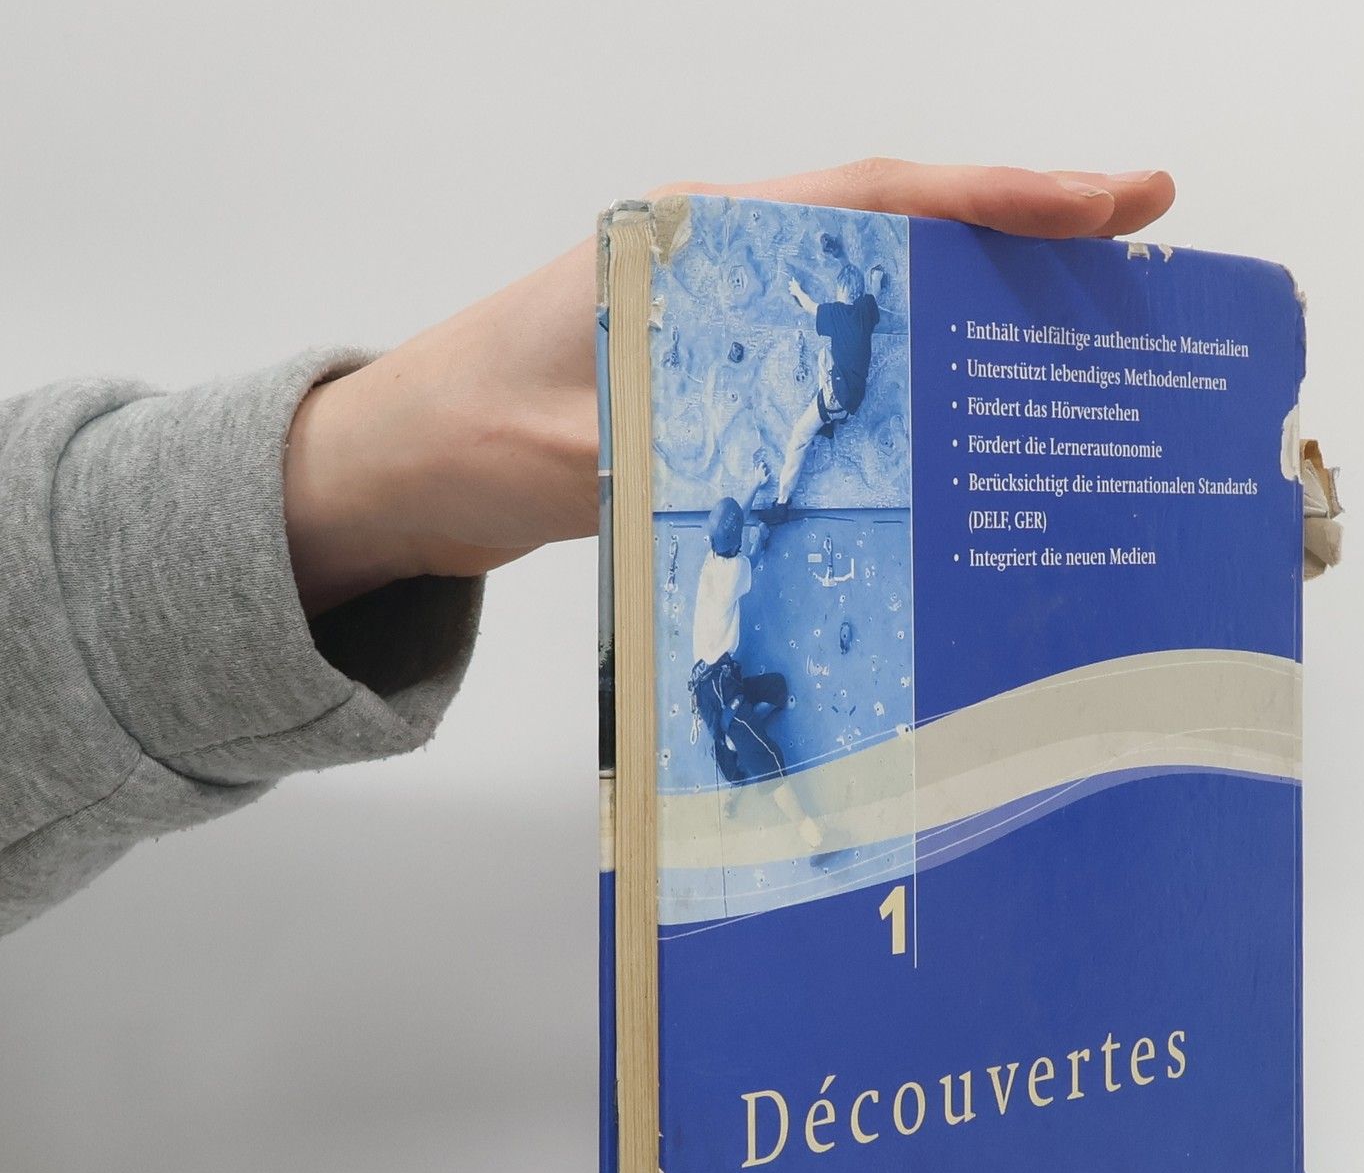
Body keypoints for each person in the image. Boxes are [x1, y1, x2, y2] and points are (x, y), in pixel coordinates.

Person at [0, 161, 1175, 938]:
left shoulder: (729, 588)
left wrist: (366, 468)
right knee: (773, 645)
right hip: (729, 639)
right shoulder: (732, 582)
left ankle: (817, 819)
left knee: (773, 633)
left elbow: (764, 511)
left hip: (726, 640)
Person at [687, 487, 823, 851]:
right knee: (768, 756)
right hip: (718, 690)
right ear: (734, 541)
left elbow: (734, 523)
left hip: (716, 679)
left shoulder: (710, 562)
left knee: (776, 689)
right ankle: (811, 835)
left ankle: (732, 741)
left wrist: (752, 486)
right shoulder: (733, 573)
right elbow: (754, 555)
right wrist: (762, 537)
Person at [772, 251, 888, 511]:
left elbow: (810, 306)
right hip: (855, 399)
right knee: (826, 355)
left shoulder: (836, 313)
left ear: (841, 290)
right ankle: (830, 421)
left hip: (835, 398)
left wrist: (796, 289)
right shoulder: (866, 310)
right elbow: (875, 293)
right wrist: (876, 280)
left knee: (799, 437)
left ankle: (781, 501)